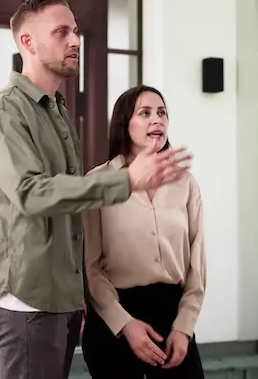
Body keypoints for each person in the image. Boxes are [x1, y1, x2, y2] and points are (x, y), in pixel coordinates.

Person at [0, 0, 191, 379]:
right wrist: (126, 180)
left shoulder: (57, 112)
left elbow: (71, 214)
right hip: (28, 300)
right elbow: (31, 193)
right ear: (27, 42)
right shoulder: (4, 114)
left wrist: (81, 296)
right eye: (61, 32)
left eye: (75, 31)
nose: (75, 41)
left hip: (62, 299)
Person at [81, 86, 207, 379]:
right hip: (114, 319)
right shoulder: (100, 182)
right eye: (145, 113)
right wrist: (123, 324)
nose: (157, 120)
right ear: (126, 123)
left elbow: (197, 266)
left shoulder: (185, 183)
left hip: (172, 319)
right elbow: (91, 267)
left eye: (162, 113)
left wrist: (184, 327)